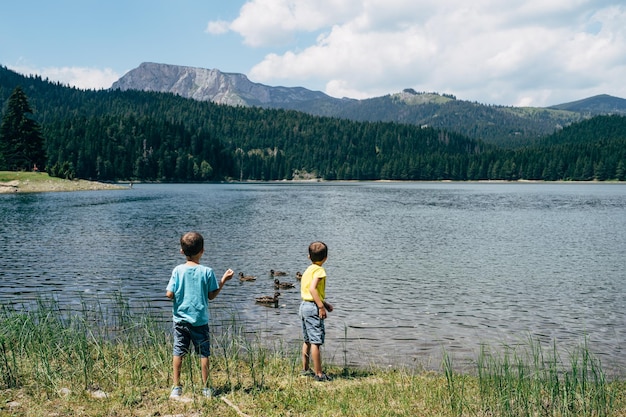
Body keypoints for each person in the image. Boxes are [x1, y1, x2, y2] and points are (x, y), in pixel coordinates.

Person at [166, 231, 234, 399]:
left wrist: (176, 296)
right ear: (202, 250)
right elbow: (211, 295)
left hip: (180, 320)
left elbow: (169, 294)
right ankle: (206, 388)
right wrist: (223, 281)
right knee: (204, 353)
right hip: (200, 321)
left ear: (182, 251)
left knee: (178, 352)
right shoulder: (207, 271)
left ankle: (176, 387)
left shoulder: (177, 270)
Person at [299, 241, 334, 382]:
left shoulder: (308, 270)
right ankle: (319, 374)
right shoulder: (319, 271)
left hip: (303, 306)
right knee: (316, 341)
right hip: (313, 308)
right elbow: (313, 289)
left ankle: (305, 369)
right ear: (326, 257)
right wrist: (320, 307)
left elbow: (309, 291)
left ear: (309, 257)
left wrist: (324, 303)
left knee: (307, 340)